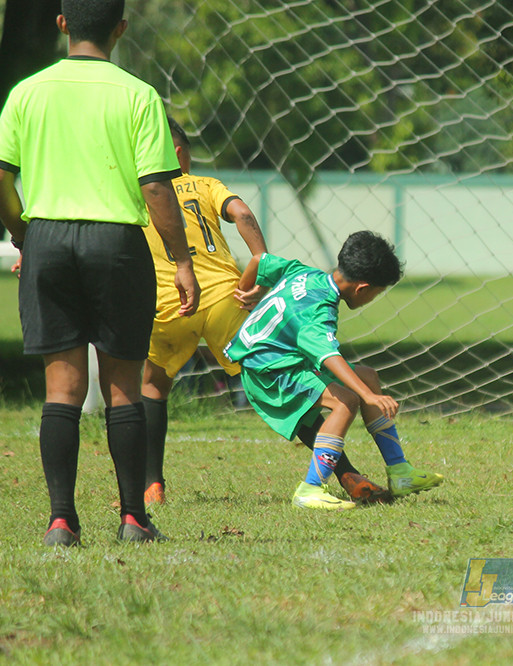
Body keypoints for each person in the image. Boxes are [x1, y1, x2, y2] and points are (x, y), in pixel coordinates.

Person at [0, 0, 200, 546]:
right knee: (123, 390)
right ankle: (133, 517)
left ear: (62, 24)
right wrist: (182, 261)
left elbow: (2, 177)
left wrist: (24, 234)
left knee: (61, 390)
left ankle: (61, 520)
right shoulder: (137, 95)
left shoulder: (27, 92)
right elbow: (157, 188)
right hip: (117, 244)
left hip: (49, 238)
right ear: (120, 29)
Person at [140, 119, 393, 507]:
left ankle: (151, 484)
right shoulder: (204, 185)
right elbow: (240, 213)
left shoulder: (140, 192)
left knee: (153, 388)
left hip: (172, 298)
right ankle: (345, 474)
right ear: (179, 154)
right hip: (230, 299)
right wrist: (259, 262)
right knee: (291, 382)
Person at [224, 231, 444, 511]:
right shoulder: (320, 309)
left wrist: (247, 292)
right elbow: (328, 356)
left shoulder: (304, 273)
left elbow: (259, 260)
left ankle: (400, 472)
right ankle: (310, 489)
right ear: (362, 288)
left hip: (282, 358)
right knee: (345, 402)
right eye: (377, 293)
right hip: (268, 371)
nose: (373, 298)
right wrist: (369, 397)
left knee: (368, 375)